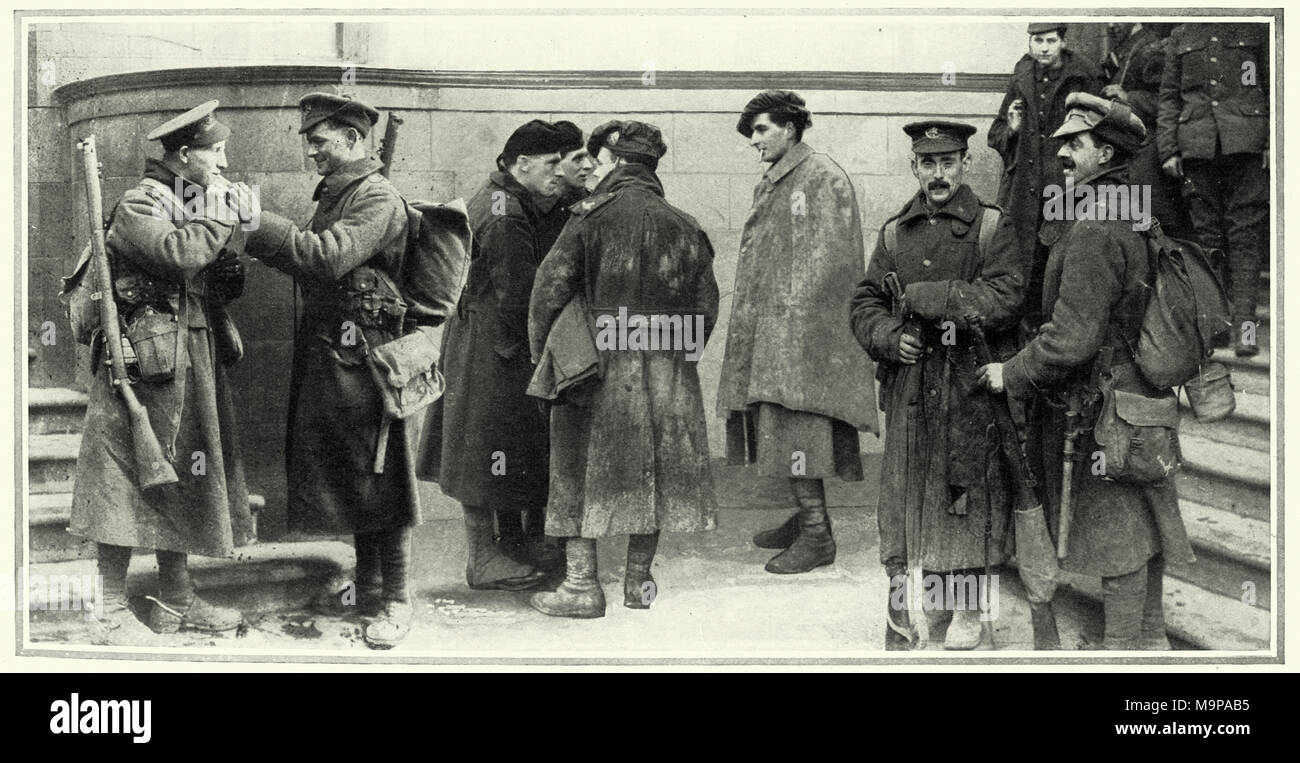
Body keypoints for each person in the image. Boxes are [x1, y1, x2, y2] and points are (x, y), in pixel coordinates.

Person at [977, 93, 1196, 650]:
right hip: (1135, 397)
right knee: (1140, 525)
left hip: (1100, 411)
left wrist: (1013, 372)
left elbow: (1072, 339)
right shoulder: (1132, 209)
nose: (1063, 155)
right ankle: (1148, 642)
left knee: (1117, 534)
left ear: (1105, 151)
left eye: (1075, 145)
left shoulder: (1096, 225)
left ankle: (1124, 651)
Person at [243, 92, 424, 649]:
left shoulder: (377, 197)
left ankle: (397, 599)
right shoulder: (342, 192)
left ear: (352, 139)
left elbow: (324, 258)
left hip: (369, 360)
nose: (312, 153)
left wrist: (256, 223)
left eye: (320, 142)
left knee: (382, 474)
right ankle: (367, 588)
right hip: (338, 354)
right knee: (355, 474)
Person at [70, 100, 254, 640]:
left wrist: (231, 240)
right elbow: (177, 255)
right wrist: (219, 214)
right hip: (142, 363)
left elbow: (215, 279)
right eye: (213, 152)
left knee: (184, 474)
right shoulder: (139, 202)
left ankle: (175, 602)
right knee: (121, 477)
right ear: (182, 155)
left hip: (188, 354)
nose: (221, 164)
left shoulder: (187, 199)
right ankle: (105, 608)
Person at [527, 121, 719, 618]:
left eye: (599, 160)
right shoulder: (685, 223)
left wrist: (544, 355)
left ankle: (581, 587)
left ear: (614, 162)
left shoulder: (588, 218)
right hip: (665, 374)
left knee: (574, 469)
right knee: (650, 472)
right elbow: (706, 307)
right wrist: (675, 358)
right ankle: (638, 583)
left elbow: (548, 292)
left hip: (592, 371)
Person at [850, 120, 1025, 650]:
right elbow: (865, 301)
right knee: (911, 493)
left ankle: (970, 611)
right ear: (914, 167)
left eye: (948, 162)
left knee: (965, 492)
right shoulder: (893, 231)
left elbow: (1005, 296)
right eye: (928, 163)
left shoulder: (992, 227)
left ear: (965, 164)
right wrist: (886, 337)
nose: (939, 173)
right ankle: (929, 604)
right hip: (911, 385)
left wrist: (927, 297)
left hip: (969, 382)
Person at [716, 90, 879, 574]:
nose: (755, 140)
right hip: (772, 331)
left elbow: (832, 262)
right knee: (779, 429)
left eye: (762, 129)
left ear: (790, 128)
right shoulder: (778, 179)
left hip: (803, 338)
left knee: (799, 426)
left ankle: (817, 534)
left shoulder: (822, 177)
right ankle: (805, 515)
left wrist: (789, 323)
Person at [423, 120, 571, 590]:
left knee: (485, 450)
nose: (559, 172)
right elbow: (522, 298)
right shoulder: (507, 214)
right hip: (497, 352)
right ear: (520, 163)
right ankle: (484, 561)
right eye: (551, 164)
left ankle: (501, 552)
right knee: (485, 451)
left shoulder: (498, 196)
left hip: (478, 343)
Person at [1157, 22, 1270, 356]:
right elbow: (1169, 97)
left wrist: (1273, 142)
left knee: (1244, 236)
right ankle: (1217, 325)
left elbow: (1276, 85)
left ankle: (1246, 329)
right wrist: (1168, 149)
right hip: (1197, 148)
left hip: (1246, 145)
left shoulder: (1255, 26)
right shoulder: (1182, 34)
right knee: (1207, 239)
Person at [987, 23, 1100, 330]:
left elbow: (1097, 135)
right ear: (1030, 43)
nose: (1045, 47)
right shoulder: (1021, 75)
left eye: (1051, 40)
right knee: (1021, 259)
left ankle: (1055, 331)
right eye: (1038, 40)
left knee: (1059, 257)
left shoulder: (1084, 76)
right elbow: (994, 135)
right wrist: (1012, 126)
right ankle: (1021, 331)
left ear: (1063, 42)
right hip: (1024, 188)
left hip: (1065, 185)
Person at [1100, 22, 1193, 240]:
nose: (1111, 24)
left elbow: (1170, 102)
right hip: (1127, 147)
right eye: (1107, 17)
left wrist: (1128, 98)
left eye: (1117, 16)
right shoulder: (1125, 47)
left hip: (1150, 148)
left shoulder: (1152, 47)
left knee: (1156, 217)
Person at [534, 120, 592, 258]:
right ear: (556, 162)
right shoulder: (531, 208)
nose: (588, 165)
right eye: (578, 159)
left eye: (586, 157)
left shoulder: (589, 203)